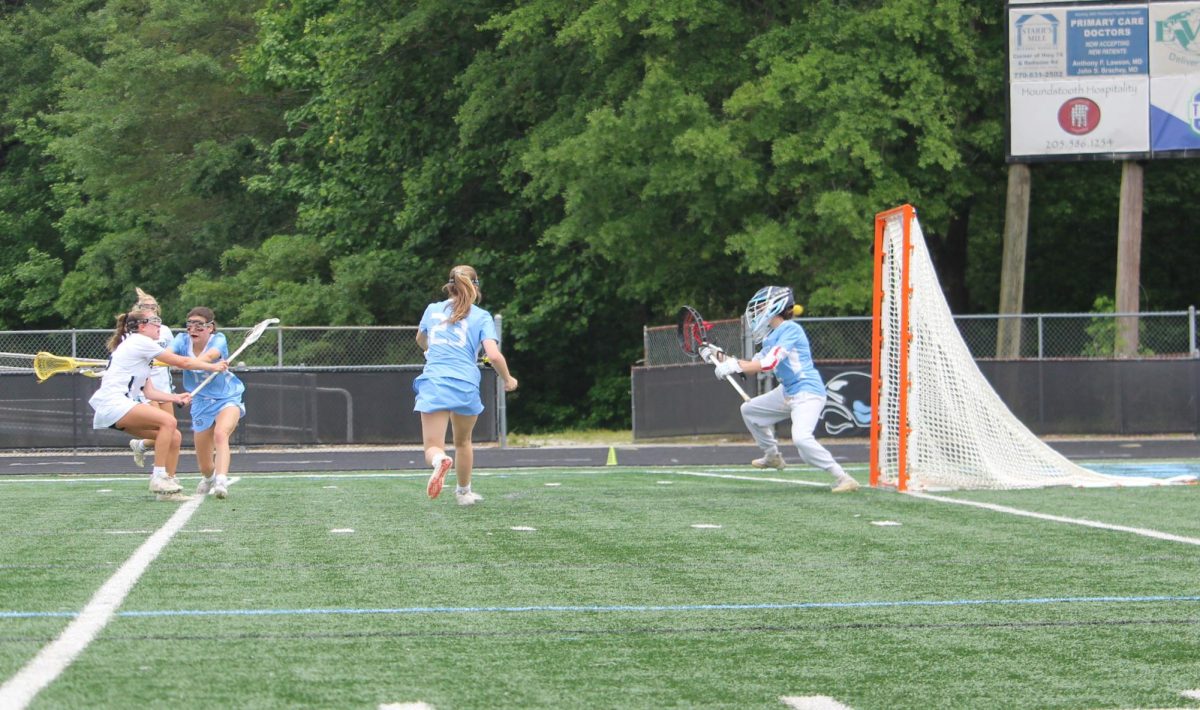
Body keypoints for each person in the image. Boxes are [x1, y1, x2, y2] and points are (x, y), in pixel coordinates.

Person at [709, 285, 860, 493]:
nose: (757, 311)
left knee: (801, 439)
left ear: (775, 307)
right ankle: (772, 456)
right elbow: (752, 366)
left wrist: (734, 365)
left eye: (761, 307)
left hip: (807, 392)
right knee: (750, 410)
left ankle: (843, 478)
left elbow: (769, 363)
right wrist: (716, 355)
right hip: (788, 392)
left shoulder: (790, 329)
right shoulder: (771, 337)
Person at [89, 308, 226, 494]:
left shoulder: (140, 348)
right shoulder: (140, 341)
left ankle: (167, 488)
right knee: (168, 421)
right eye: (155, 321)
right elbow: (183, 363)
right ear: (142, 326)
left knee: (174, 436)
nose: (159, 326)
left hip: (117, 407)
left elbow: (150, 392)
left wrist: (175, 397)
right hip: (114, 404)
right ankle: (159, 477)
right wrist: (212, 367)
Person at [414, 265, 518, 505]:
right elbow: (493, 355)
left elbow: (421, 339)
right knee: (463, 441)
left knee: (432, 447)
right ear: (475, 287)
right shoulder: (481, 315)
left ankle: (440, 460)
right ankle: (464, 493)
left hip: (435, 381)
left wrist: (430, 350)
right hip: (465, 383)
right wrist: (508, 379)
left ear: (449, 285)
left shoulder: (432, 309)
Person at [171, 307, 245, 499]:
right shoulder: (181, 340)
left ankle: (221, 480)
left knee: (221, 434)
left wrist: (188, 363)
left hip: (227, 397)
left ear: (210, 327)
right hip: (201, 401)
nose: (193, 329)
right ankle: (210, 477)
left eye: (199, 325)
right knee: (204, 466)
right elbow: (167, 356)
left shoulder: (218, 340)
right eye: (190, 324)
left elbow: (208, 357)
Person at [127, 288, 175, 469]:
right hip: (145, 387)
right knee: (161, 429)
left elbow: (172, 354)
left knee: (171, 432)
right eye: (146, 307)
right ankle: (160, 472)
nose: (151, 310)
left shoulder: (165, 331)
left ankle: (142, 446)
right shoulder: (134, 332)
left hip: (163, 386)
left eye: (154, 307)